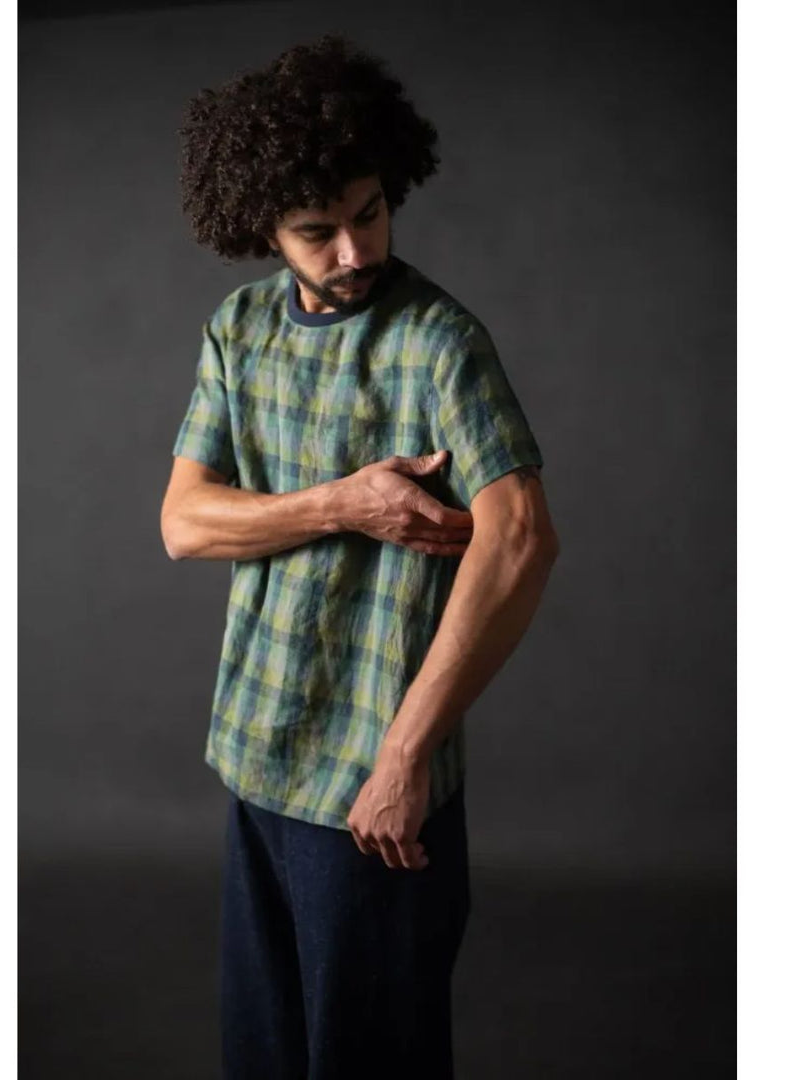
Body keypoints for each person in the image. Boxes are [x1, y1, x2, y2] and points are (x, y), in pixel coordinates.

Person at [160, 34, 560, 1080]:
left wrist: (401, 760)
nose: (354, 250)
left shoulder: (440, 343)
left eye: (370, 213)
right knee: (266, 1056)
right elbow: (185, 523)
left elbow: (519, 539)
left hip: (373, 792)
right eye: (318, 230)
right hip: (258, 757)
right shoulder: (238, 332)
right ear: (263, 230)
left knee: (372, 1060)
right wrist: (346, 502)